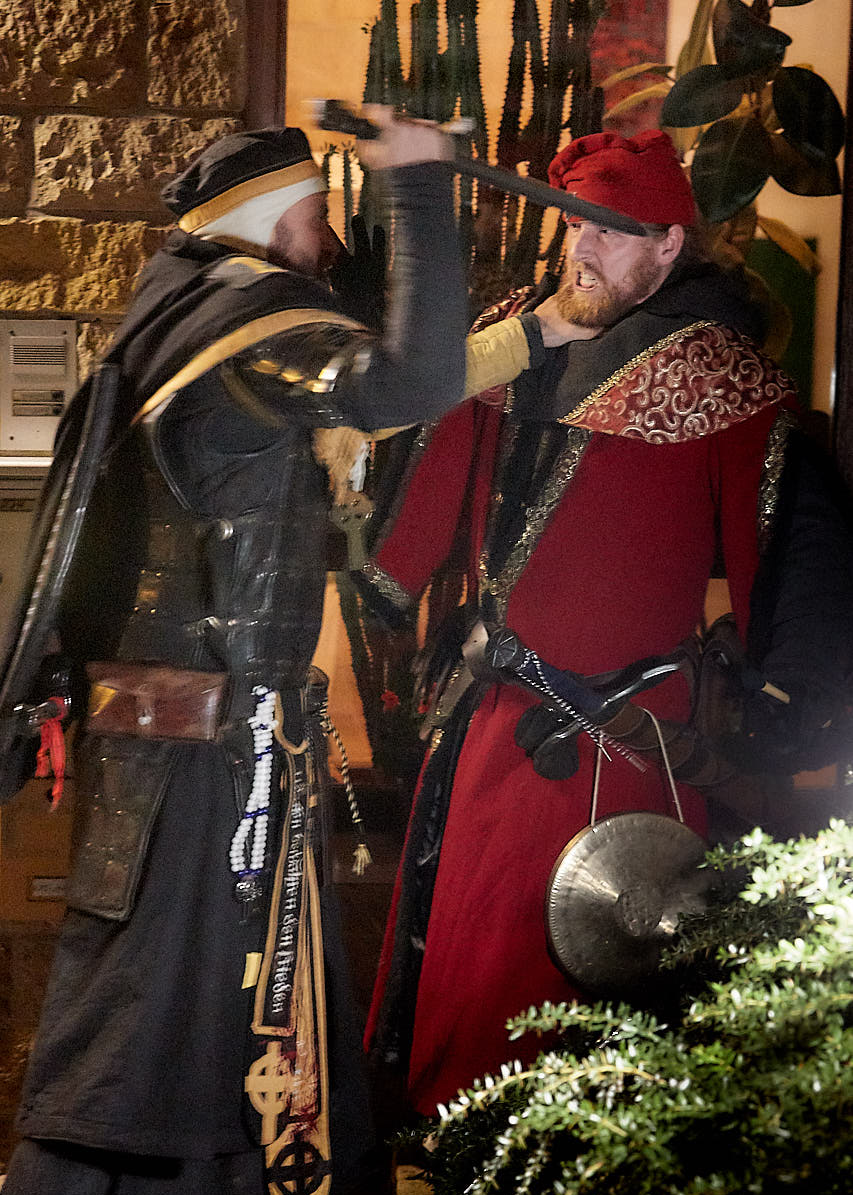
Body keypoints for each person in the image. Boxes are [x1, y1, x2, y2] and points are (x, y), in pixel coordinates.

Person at [0, 110, 470, 1195]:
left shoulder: (186, 318)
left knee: (192, 990)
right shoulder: (248, 335)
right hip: (207, 733)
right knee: (162, 989)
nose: (326, 239)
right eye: (315, 215)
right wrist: (420, 189)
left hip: (190, 726)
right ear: (267, 218)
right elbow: (413, 377)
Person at [357, 130, 853, 1115]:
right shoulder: (514, 339)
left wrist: (787, 696)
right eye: (569, 223)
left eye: (608, 230)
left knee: (592, 1004)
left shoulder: (720, 377)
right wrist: (386, 579)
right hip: (492, 723)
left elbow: (798, 541)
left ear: (667, 245)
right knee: (468, 988)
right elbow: (421, 470)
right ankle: (458, 1163)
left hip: (629, 747)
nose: (578, 247)